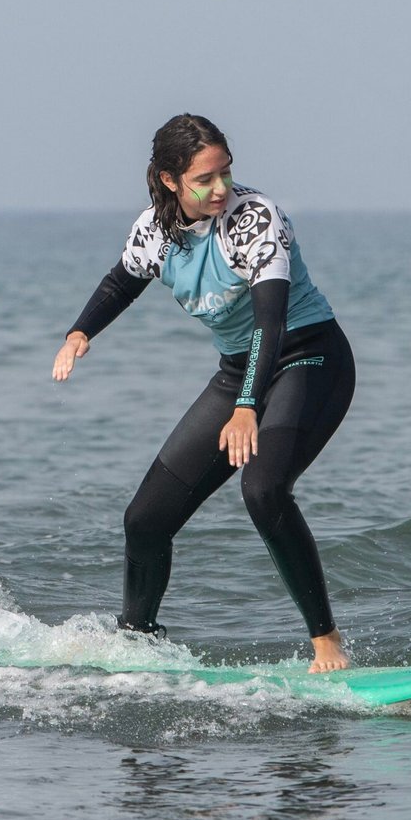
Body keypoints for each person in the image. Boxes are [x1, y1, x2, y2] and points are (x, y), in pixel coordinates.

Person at [52, 113, 354, 673]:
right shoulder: (155, 230)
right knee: (145, 519)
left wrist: (246, 408)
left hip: (309, 358)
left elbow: (271, 318)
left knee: (263, 489)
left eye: (226, 173)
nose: (221, 189)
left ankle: (327, 642)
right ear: (170, 180)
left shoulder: (255, 219)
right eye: (204, 180)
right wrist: (79, 332)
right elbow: (123, 279)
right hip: (239, 368)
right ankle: (136, 640)